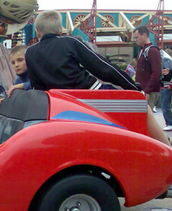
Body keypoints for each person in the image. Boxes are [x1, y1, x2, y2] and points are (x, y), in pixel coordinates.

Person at [24, 10, 170, 146]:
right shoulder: (70, 42)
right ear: (60, 30)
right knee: (144, 108)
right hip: (90, 95)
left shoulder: (30, 53)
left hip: (59, 104)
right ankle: (167, 149)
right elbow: (103, 68)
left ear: (37, 32)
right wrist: (134, 89)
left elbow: (37, 87)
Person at [133, 26, 162, 110]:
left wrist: (147, 91)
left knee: (146, 116)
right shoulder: (141, 50)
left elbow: (156, 72)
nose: (135, 40)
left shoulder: (152, 50)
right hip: (142, 90)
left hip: (149, 91)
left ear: (144, 35)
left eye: (137, 37)